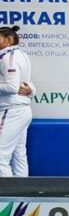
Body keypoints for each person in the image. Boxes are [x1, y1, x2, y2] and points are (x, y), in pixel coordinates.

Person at [0, 25, 34, 177]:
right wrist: (31, 91)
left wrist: (30, 91)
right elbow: (28, 85)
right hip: (21, 110)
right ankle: (22, 190)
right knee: (18, 154)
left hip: (11, 110)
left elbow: (12, 87)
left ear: (9, 39)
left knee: (1, 155)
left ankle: (6, 191)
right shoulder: (21, 55)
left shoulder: (8, 58)